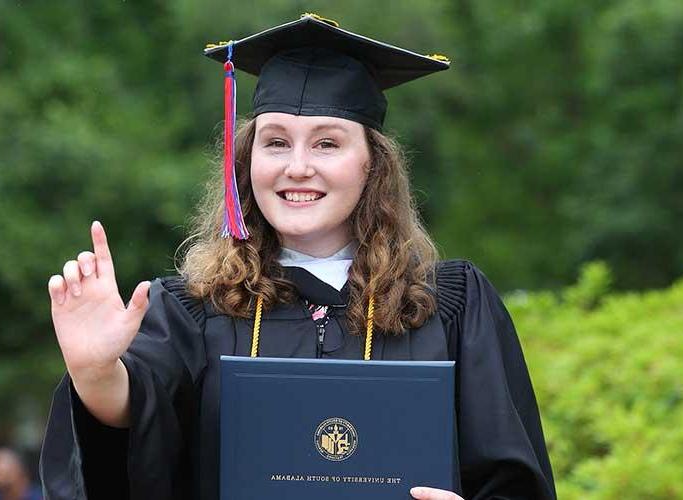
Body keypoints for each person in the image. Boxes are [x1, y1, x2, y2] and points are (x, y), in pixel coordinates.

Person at [37, 14, 555, 500]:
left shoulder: (451, 307)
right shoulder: (192, 310)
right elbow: (135, 427)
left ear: (372, 166)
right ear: (248, 161)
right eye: (276, 142)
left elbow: (512, 480)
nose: (298, 167)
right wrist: (96, 372)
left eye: (327, 144)